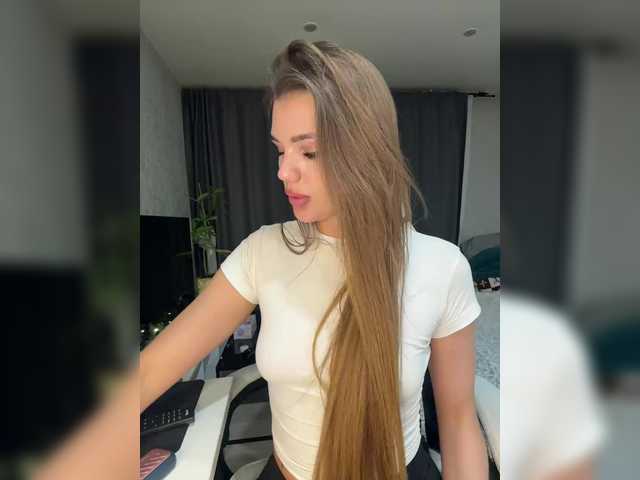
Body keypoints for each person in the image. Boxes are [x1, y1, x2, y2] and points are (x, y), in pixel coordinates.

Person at [141, 39, 488, 480]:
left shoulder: (442, 267)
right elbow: (151, 370)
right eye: (280, 149)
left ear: (366, 152)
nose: (283, 172)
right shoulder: (264, 252)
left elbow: (458, 420)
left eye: (309, 152)